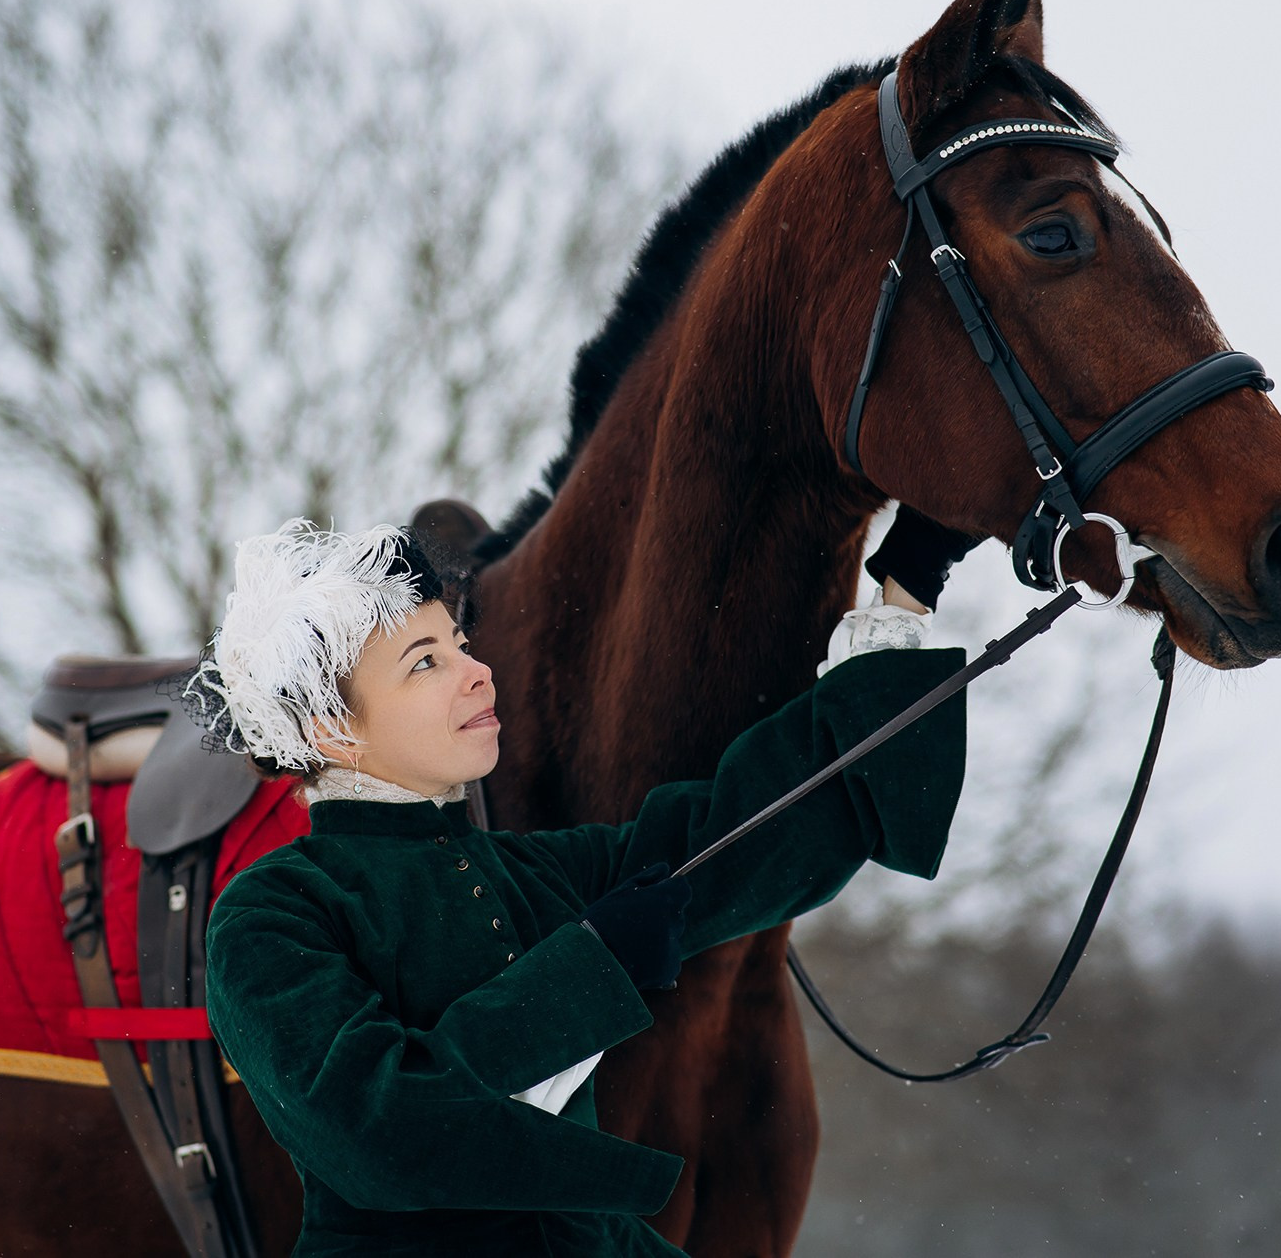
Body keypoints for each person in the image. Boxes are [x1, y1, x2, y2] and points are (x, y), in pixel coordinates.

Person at [197, 517, 968, 1256]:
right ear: (332, 728)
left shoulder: (545, 873)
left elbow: (757, 834)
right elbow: (380, 1134)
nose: (477, 670)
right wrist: (594, 964)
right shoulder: (269, 917)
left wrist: (901, 601)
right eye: (426, 662)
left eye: (461, 643)